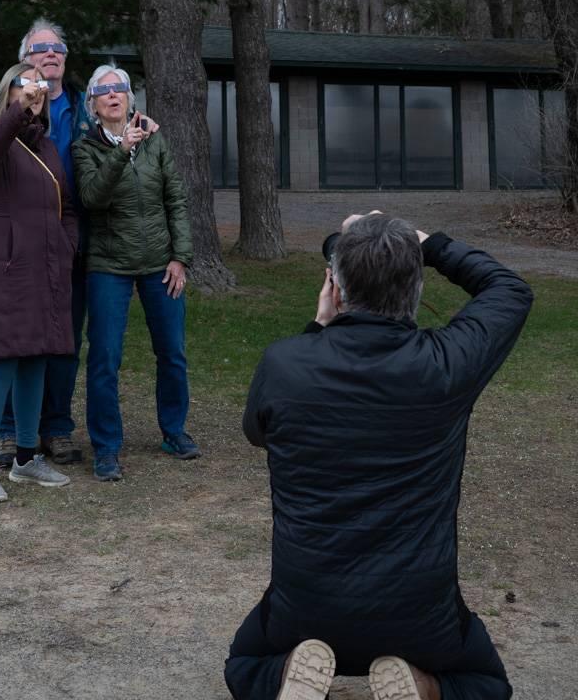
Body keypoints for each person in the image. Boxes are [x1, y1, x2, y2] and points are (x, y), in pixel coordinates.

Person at [225, 211, 533, 700]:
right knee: (484, 683)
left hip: (305, 605)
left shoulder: (286, 363)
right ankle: (427, 686)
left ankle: (286, 675)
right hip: (420, 613)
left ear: (336, 290)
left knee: (244, 663)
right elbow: (509, 291)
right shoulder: (446, 365)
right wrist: (427, 242)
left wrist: (316, 330)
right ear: (416, 288)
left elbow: (257, 433)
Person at [0, 17, 90, 466]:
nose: (34, 91)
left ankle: (28, 458)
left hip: (49, 267)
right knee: (3, 362)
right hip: (7, 268)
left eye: (39, 88)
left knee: (38, 359)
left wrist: (67, 243)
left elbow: (65, 204)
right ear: (7, 92)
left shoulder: (46, 144)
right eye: (25, 85)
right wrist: (12, 110)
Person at [72, 64, 198, 483]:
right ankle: (106, 447)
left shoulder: (155, 139)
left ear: (130, 99)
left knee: (173, 353)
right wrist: (121, 149)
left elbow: (175, 199)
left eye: (120, 89)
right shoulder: (85, 148)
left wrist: (180, 256)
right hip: (109, 266)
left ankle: (174, 431)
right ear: (93, 105)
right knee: (105, 359)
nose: (113, 95)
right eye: (104, 91)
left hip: (160, 264)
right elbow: (92, 198)